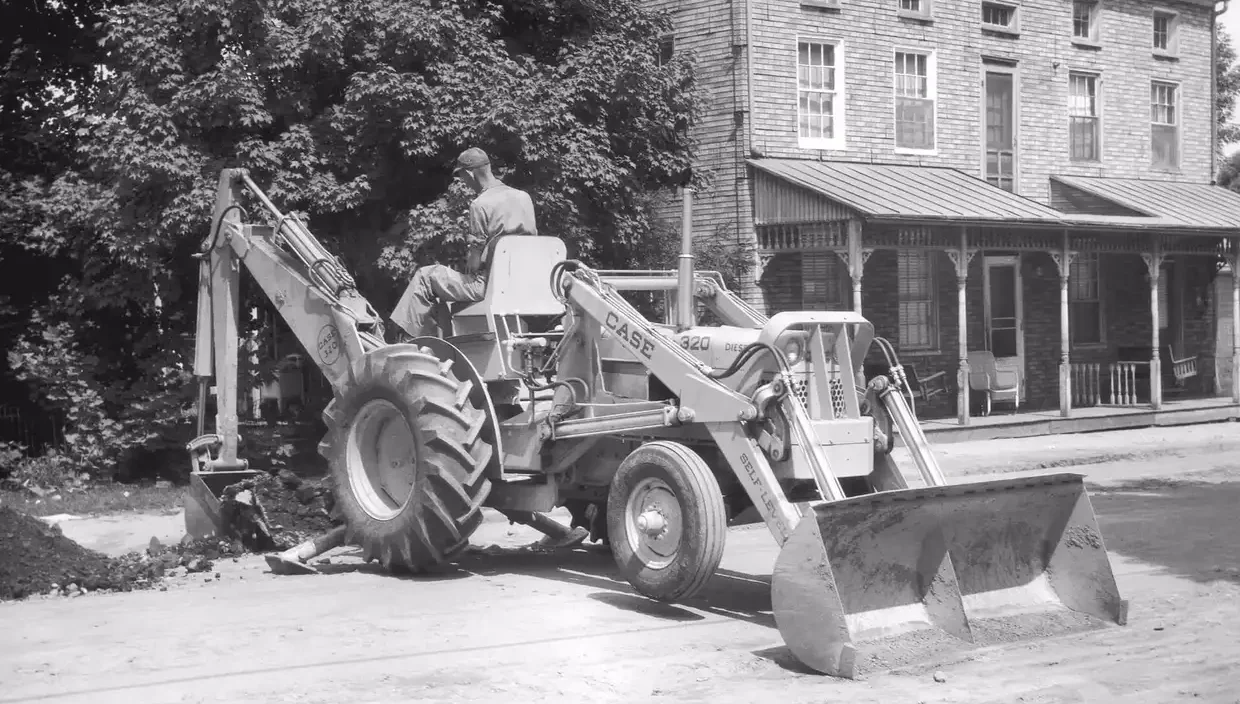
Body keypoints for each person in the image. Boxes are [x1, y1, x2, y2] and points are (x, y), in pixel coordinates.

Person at [391, 147, 539, 339]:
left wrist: (471, 261)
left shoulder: (480, 204)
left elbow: (475, 262)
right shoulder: (523, 197)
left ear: (470, 173)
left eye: (462, 177)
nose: (464, 183)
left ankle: (407, 341)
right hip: (526, 282)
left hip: (489, 285)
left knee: (425, 277)